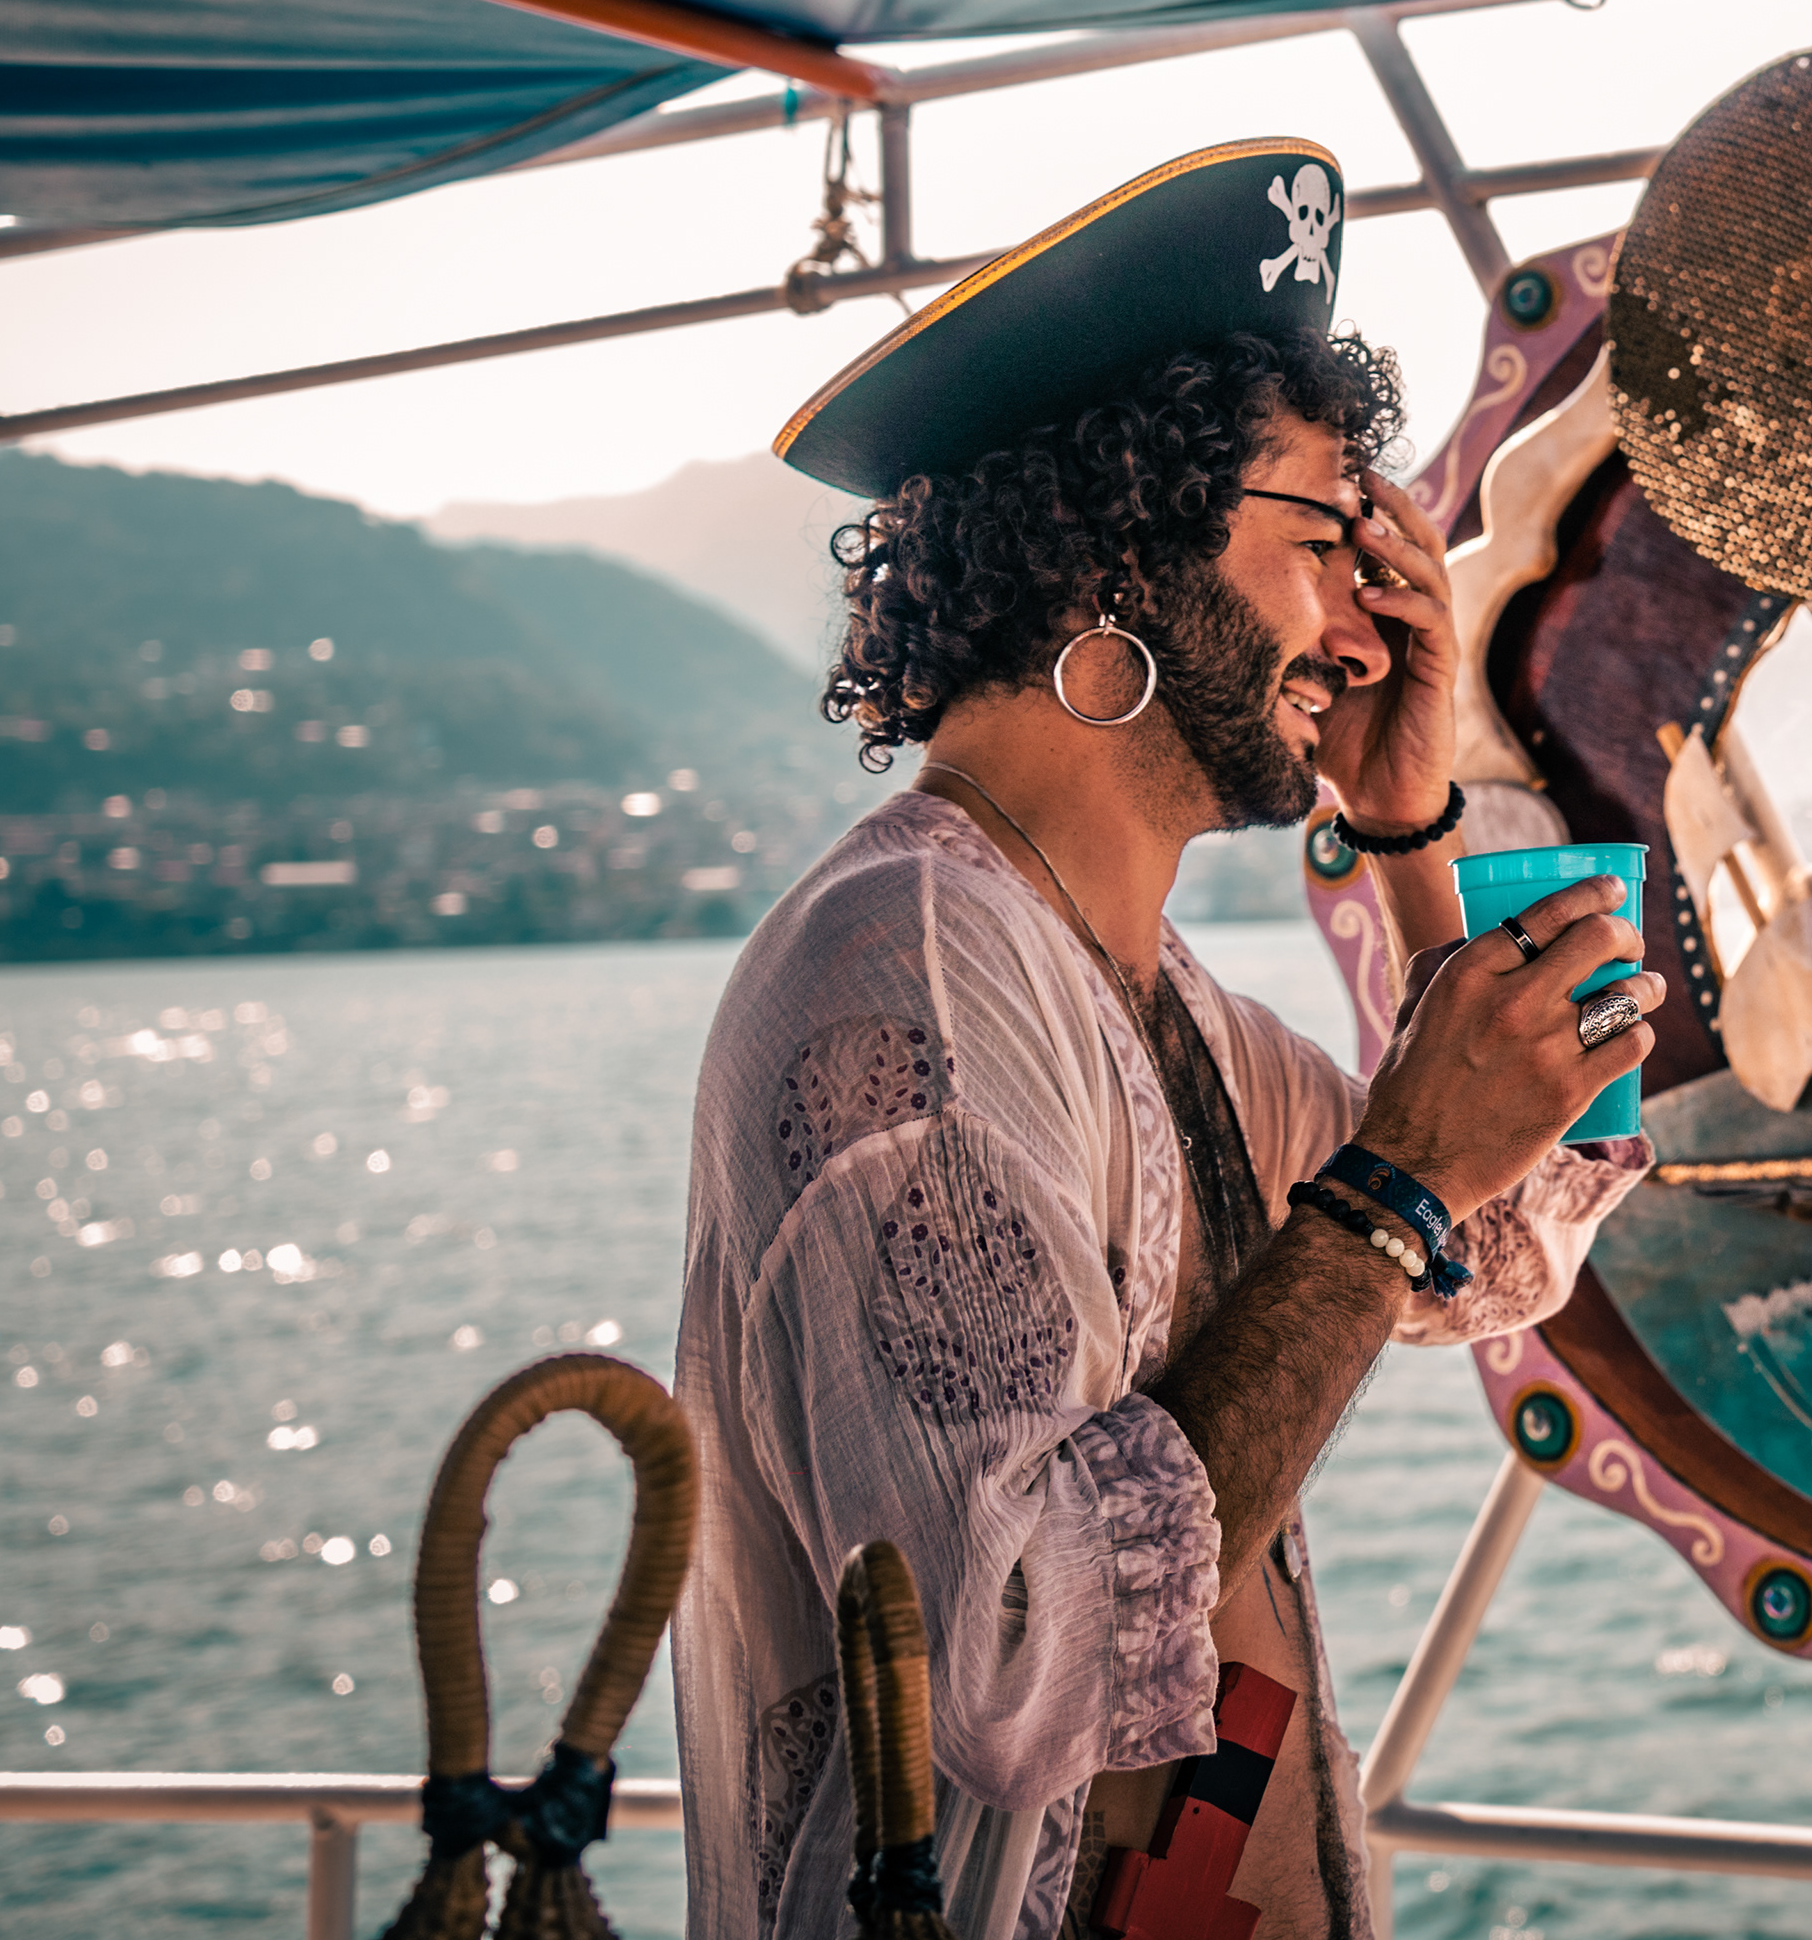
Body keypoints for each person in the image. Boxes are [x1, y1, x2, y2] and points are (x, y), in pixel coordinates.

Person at [671, 142, 1660, 1938]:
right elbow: (1021, 1656)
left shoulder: (1140, 992)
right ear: (1124, 553)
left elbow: (1485, 1254)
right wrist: (1394, 1183)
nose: (1367, 627)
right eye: (1324, 545)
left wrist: (1418, 829)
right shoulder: (922, 982)